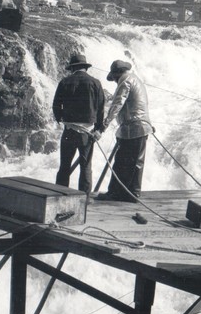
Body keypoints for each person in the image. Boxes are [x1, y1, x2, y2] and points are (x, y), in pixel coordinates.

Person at [97, 60, 154, 202]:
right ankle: (129, 193)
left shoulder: (125, 80)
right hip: (139, 126)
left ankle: (122, 193)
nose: (115, 81)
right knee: (131, 162)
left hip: (133, 127)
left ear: (117, 73)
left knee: (125, 162)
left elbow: (117, 103)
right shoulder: (135, 79)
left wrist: (105, 124)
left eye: (114, 78)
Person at [52, 52, 107, 192]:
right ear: (85, 67)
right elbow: (101, 109)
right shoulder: (96, 83)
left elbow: (56, 105)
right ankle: (85, 199)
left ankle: (60, 195)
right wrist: (99, 129)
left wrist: (60, 119)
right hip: (87, 133)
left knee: (64, 166)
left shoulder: (65, 82)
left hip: (69, 131)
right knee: (86, 167)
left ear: (72, 68)